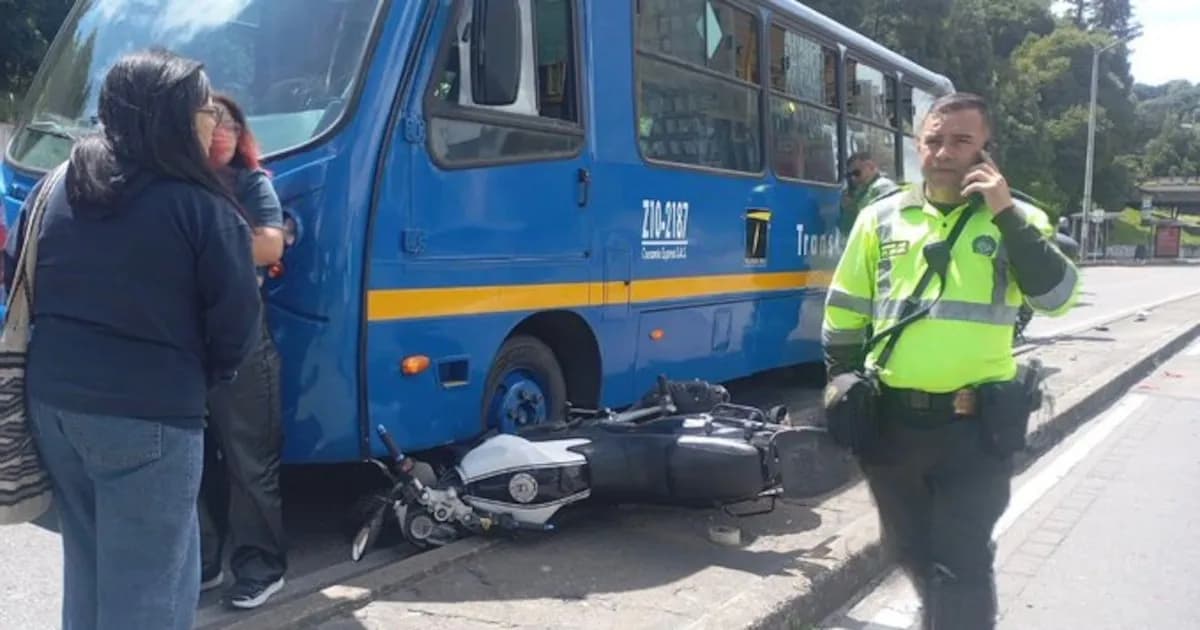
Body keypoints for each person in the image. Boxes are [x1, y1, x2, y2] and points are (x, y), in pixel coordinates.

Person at [2, 49, 261, 630]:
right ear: (172, 115)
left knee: (89, 569)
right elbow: (237, 328)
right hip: (150, 417)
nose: (213, 122)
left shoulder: (57, 187)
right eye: (205, 109)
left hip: (54, 406)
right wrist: (201, 379)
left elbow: (16, 270)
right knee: (150, 592)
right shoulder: (203, 208)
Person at [821, 92, 1080, 629]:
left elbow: (1057, 298)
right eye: (934, 140)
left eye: (961, 141)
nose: (944, 152)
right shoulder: (880, 218)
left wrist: (1005, 214)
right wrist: (840, 381)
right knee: (909, 549)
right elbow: (844, 310)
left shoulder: (1021, 218)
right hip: (891, 426)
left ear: (986, 151)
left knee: (962, 562)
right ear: (918, 146)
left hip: (975, 430)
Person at [197, 93, 289, 609]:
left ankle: (261, 568)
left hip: (244, 344)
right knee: (192, 461)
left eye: (230, 123)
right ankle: (204, 563)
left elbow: (270, 244)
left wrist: (197, 243)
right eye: (211, 121)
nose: (222, 132)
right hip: (188, 343)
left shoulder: (252, 184)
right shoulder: (178, 183)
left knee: (249, 463)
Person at [838, 152, 898, 235]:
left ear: (871, 167)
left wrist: (853, 207)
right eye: (849, 175)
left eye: (857, 173)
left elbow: (884, 218)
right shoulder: (857, 193)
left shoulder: (883, 187)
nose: (853, 178)